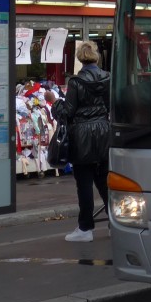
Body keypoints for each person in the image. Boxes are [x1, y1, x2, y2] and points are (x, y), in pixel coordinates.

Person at [52, 40, 111, 242]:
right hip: (104, 132)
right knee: (105, 182)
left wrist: (54, 103)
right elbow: (112, 106)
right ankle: (116, 222)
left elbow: (67, 112)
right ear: (96, 56)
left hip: (82, 137)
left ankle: (85, 228)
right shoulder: (108, 78)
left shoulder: (76, 82)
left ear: (79, 58)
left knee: (84, 184)